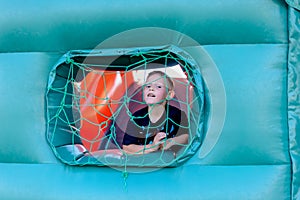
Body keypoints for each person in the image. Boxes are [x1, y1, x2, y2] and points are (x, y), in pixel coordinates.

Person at [122, 70, 189, 154]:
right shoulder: (137, 117)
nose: (151, 88)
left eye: (158, 86)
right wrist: (152, 147)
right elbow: (127, 147)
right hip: (144, 161)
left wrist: (172, 141)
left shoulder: (177, 115)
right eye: (148, 86)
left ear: (169, 95)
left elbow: (186, 136)